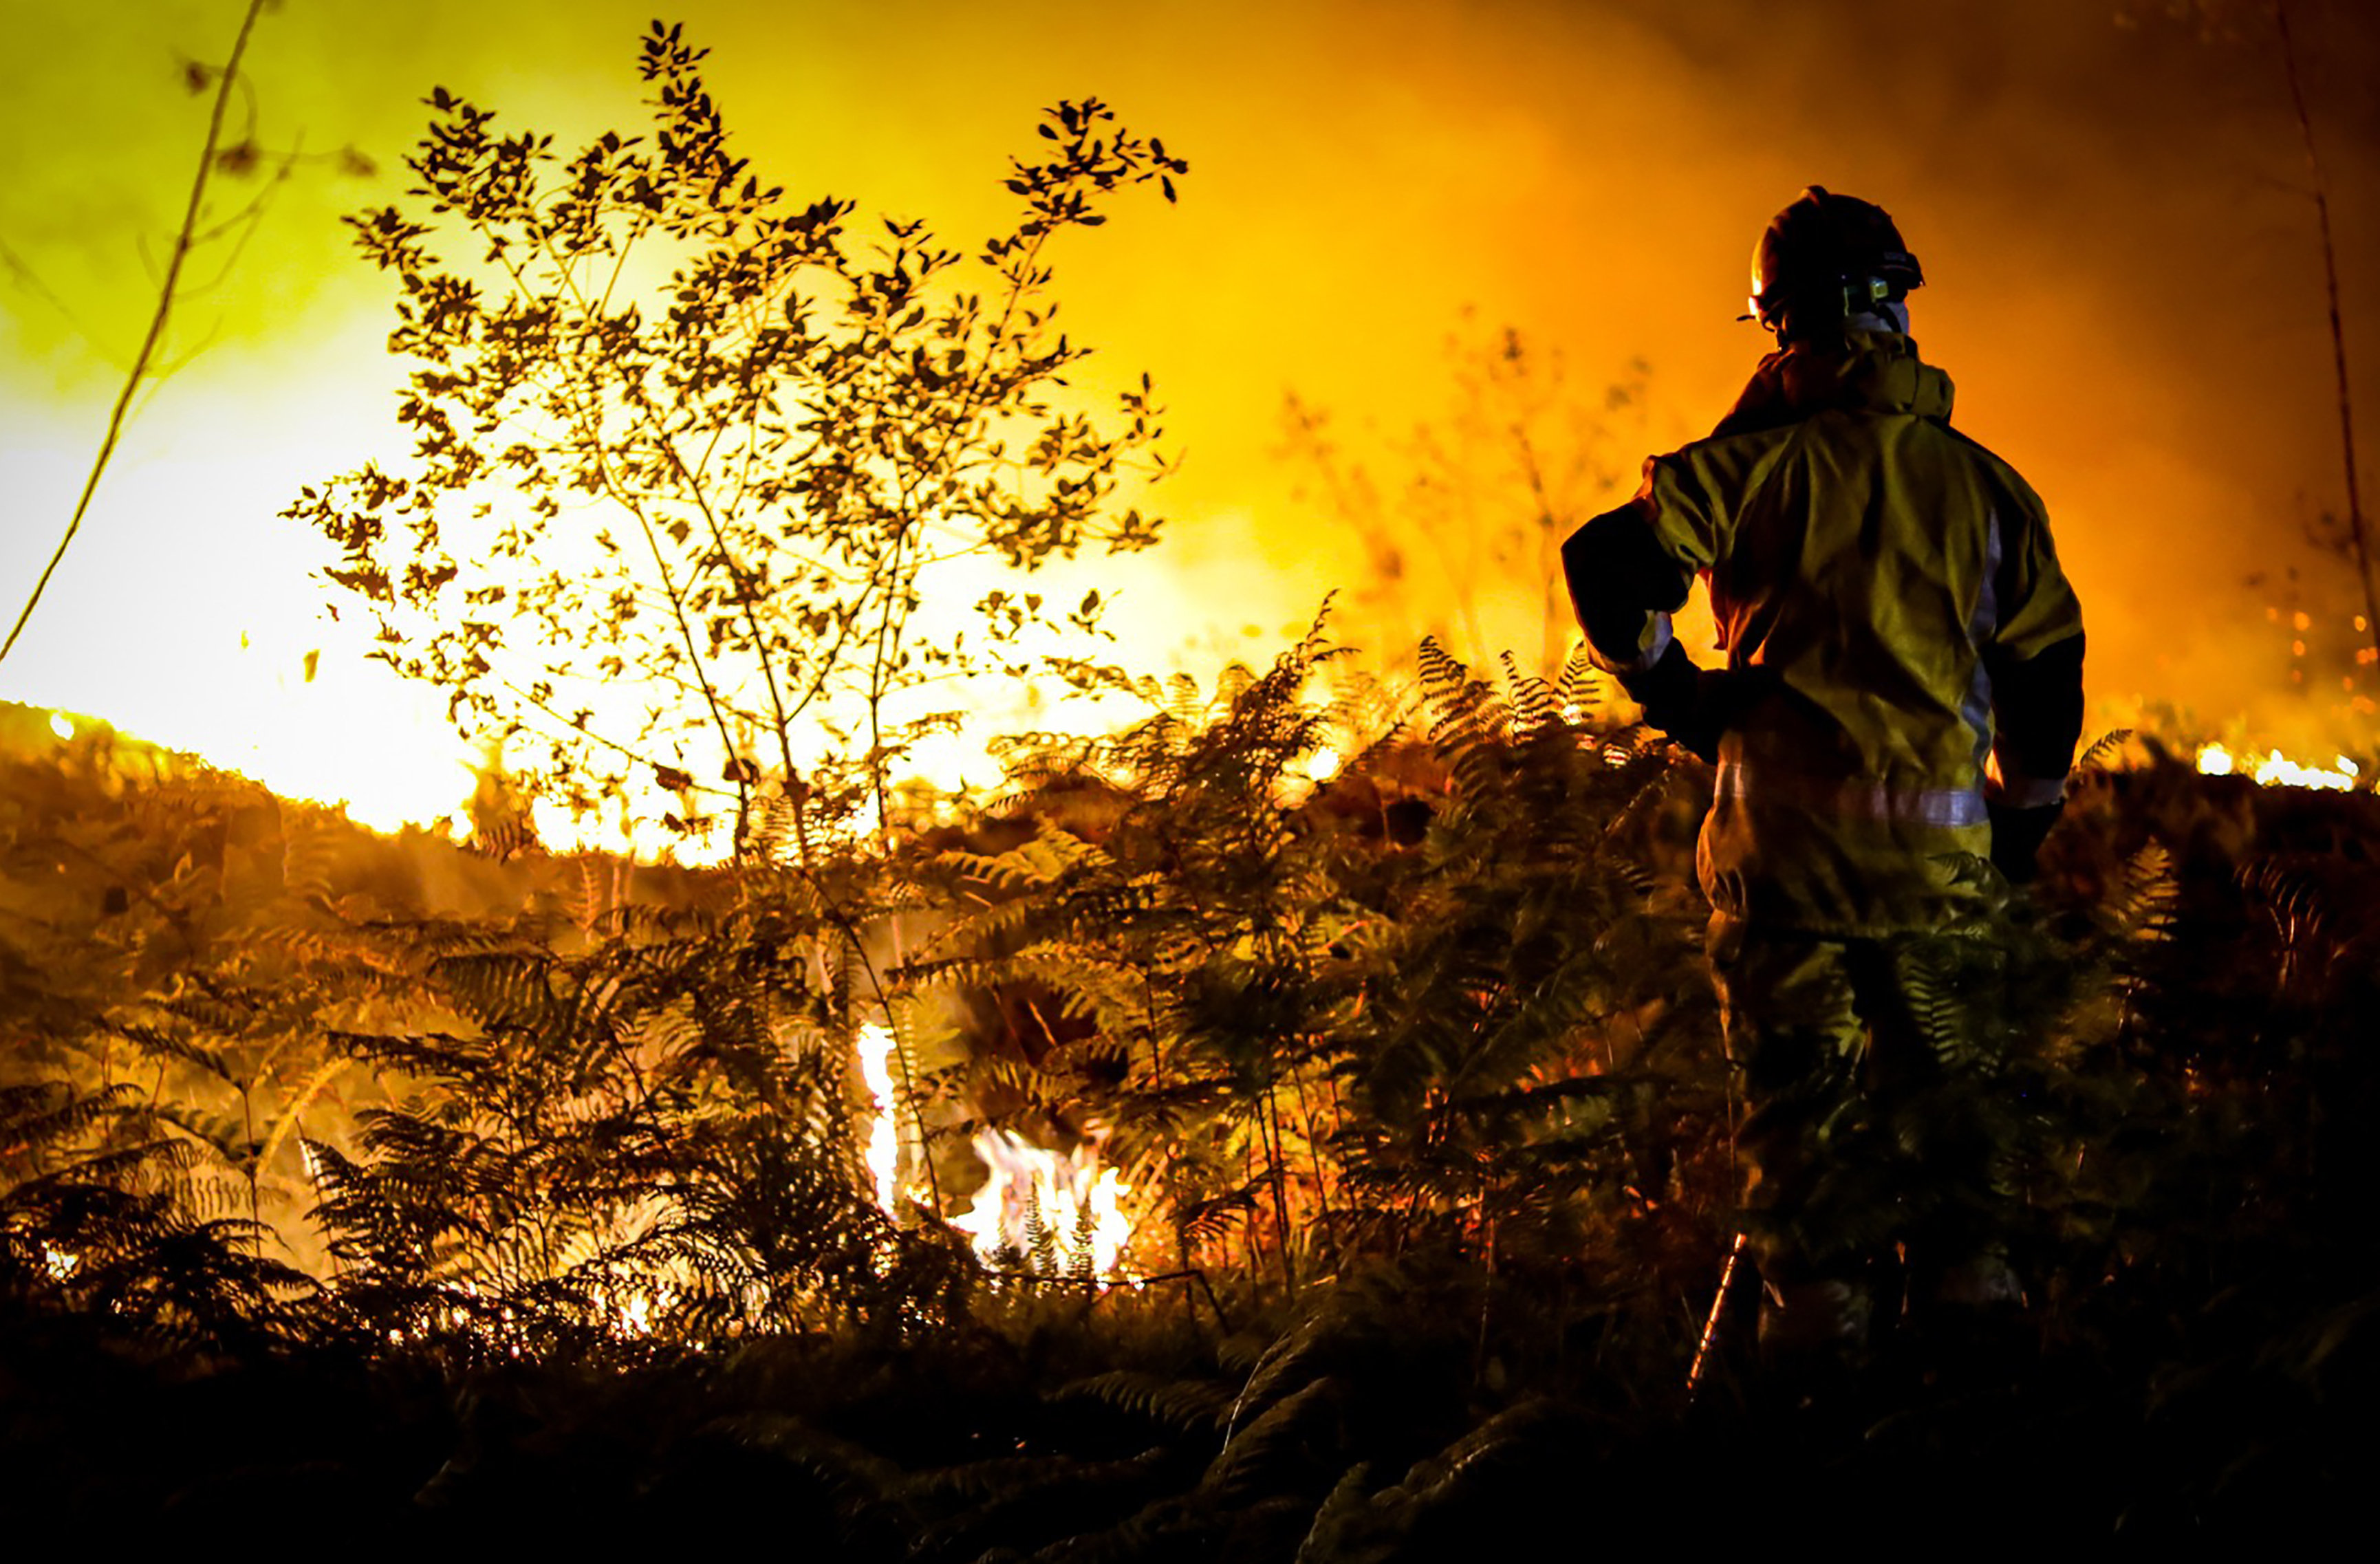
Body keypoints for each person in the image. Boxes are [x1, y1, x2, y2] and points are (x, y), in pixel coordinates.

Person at [1561, 186, 2086, 1358]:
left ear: (1780, 326)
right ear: (1901, 310)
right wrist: (2022, 821)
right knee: (1953, 1118)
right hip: (1940, 882)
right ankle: (1972, 1377)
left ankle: (1818, 1383)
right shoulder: (1989, 489)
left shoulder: (1743, 469)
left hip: (1785, 881)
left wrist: (1675, 689)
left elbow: (1604, 564)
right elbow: (2047, 676)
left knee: (1801, 1134)